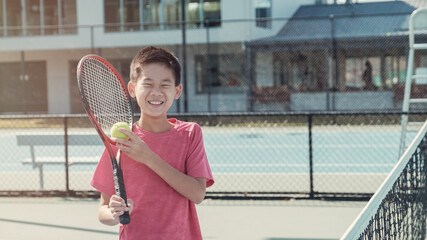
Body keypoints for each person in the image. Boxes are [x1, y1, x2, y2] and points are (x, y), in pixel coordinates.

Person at [91, 46, 214, 239]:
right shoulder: (120, 141)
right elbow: (103, 211)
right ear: (132, 89)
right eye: (147, 84)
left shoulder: (190, 134)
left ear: (177, 90)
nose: (156, 92)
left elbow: (198, 194)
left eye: (165, 85)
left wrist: (148, 157)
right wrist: (114, 214)